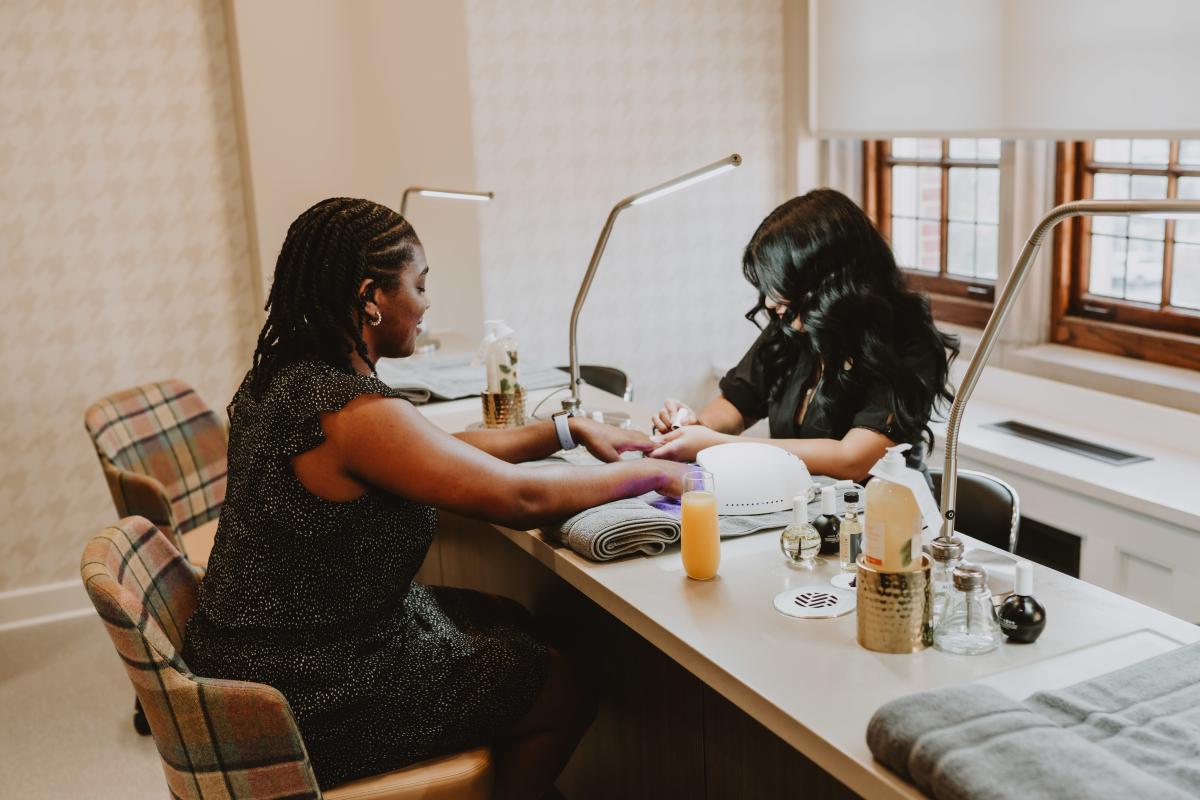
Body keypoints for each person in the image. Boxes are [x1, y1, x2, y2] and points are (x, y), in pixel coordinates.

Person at [183, 198, 689, 800]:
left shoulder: (287, 377)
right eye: (419, 287)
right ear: (371, 296)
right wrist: (654, 478)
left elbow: (436, 448)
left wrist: (568, 429)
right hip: (311, 690)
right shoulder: (351, 411)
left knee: (515, 622)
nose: (427, 306)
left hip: (258, 654)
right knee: (566, 681)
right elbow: (521, 499)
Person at [650, 188, 958, 481]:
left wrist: (713, 444)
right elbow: (737, 402)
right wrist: (694, 427)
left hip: (883, 520)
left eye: (781, 288)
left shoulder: (907, 345)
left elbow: (852, 460)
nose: (770, 303)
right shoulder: (794, 325)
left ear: (828, 282)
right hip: (802, 512)